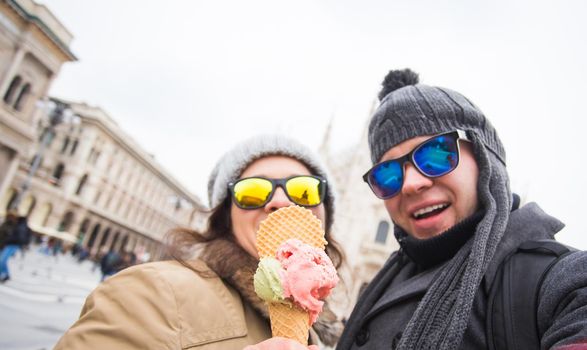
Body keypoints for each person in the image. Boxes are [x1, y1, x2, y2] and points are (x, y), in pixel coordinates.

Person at [332, 69, 587, 349]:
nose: (410, 184)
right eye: (387, 174)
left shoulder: (559, 280)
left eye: (435, 154)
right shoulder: (385, 282)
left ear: (484, 157)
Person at [54, 134, 346, 349]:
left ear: (324, 218)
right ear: (225, 217)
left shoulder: (327, 333)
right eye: (253, 192)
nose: (280, 202)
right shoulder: (155, 292)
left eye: (304, 191)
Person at [0, 214, 31, 282]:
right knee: (2, 260)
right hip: (10, 244)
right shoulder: (21, 227)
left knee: (2, 260)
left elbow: (17, 237)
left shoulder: (19, 227)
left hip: (11, 244)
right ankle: (5, 274)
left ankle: (5, 275)